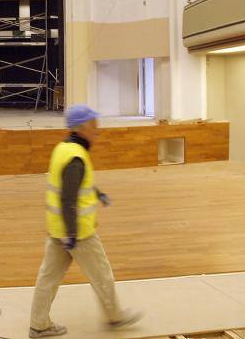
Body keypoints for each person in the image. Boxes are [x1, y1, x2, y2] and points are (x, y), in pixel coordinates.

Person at [28, 104, 144, 338]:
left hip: (57, 229)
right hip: (79, 234)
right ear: (81, 128)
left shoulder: (64, 148)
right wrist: (72, 235)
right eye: (94, 125)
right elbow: (68, 198)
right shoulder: (76, 158)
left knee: (47, 279)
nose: (97, 130)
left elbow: (75, 185)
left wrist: (97, 193)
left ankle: (38, 325)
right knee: (102, 276)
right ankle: (115, 318)